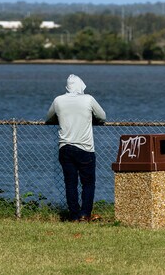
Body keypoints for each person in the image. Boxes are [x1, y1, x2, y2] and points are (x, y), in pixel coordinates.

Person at [46, 74, 106, 222]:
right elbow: (102, 116)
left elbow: (48, 119)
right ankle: (85, 214)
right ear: (81, 86)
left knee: (70, 183)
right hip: (85, 148)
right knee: (88, 183)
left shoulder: (58, 100)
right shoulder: (88, 99)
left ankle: (73, 215)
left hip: (65, 148)